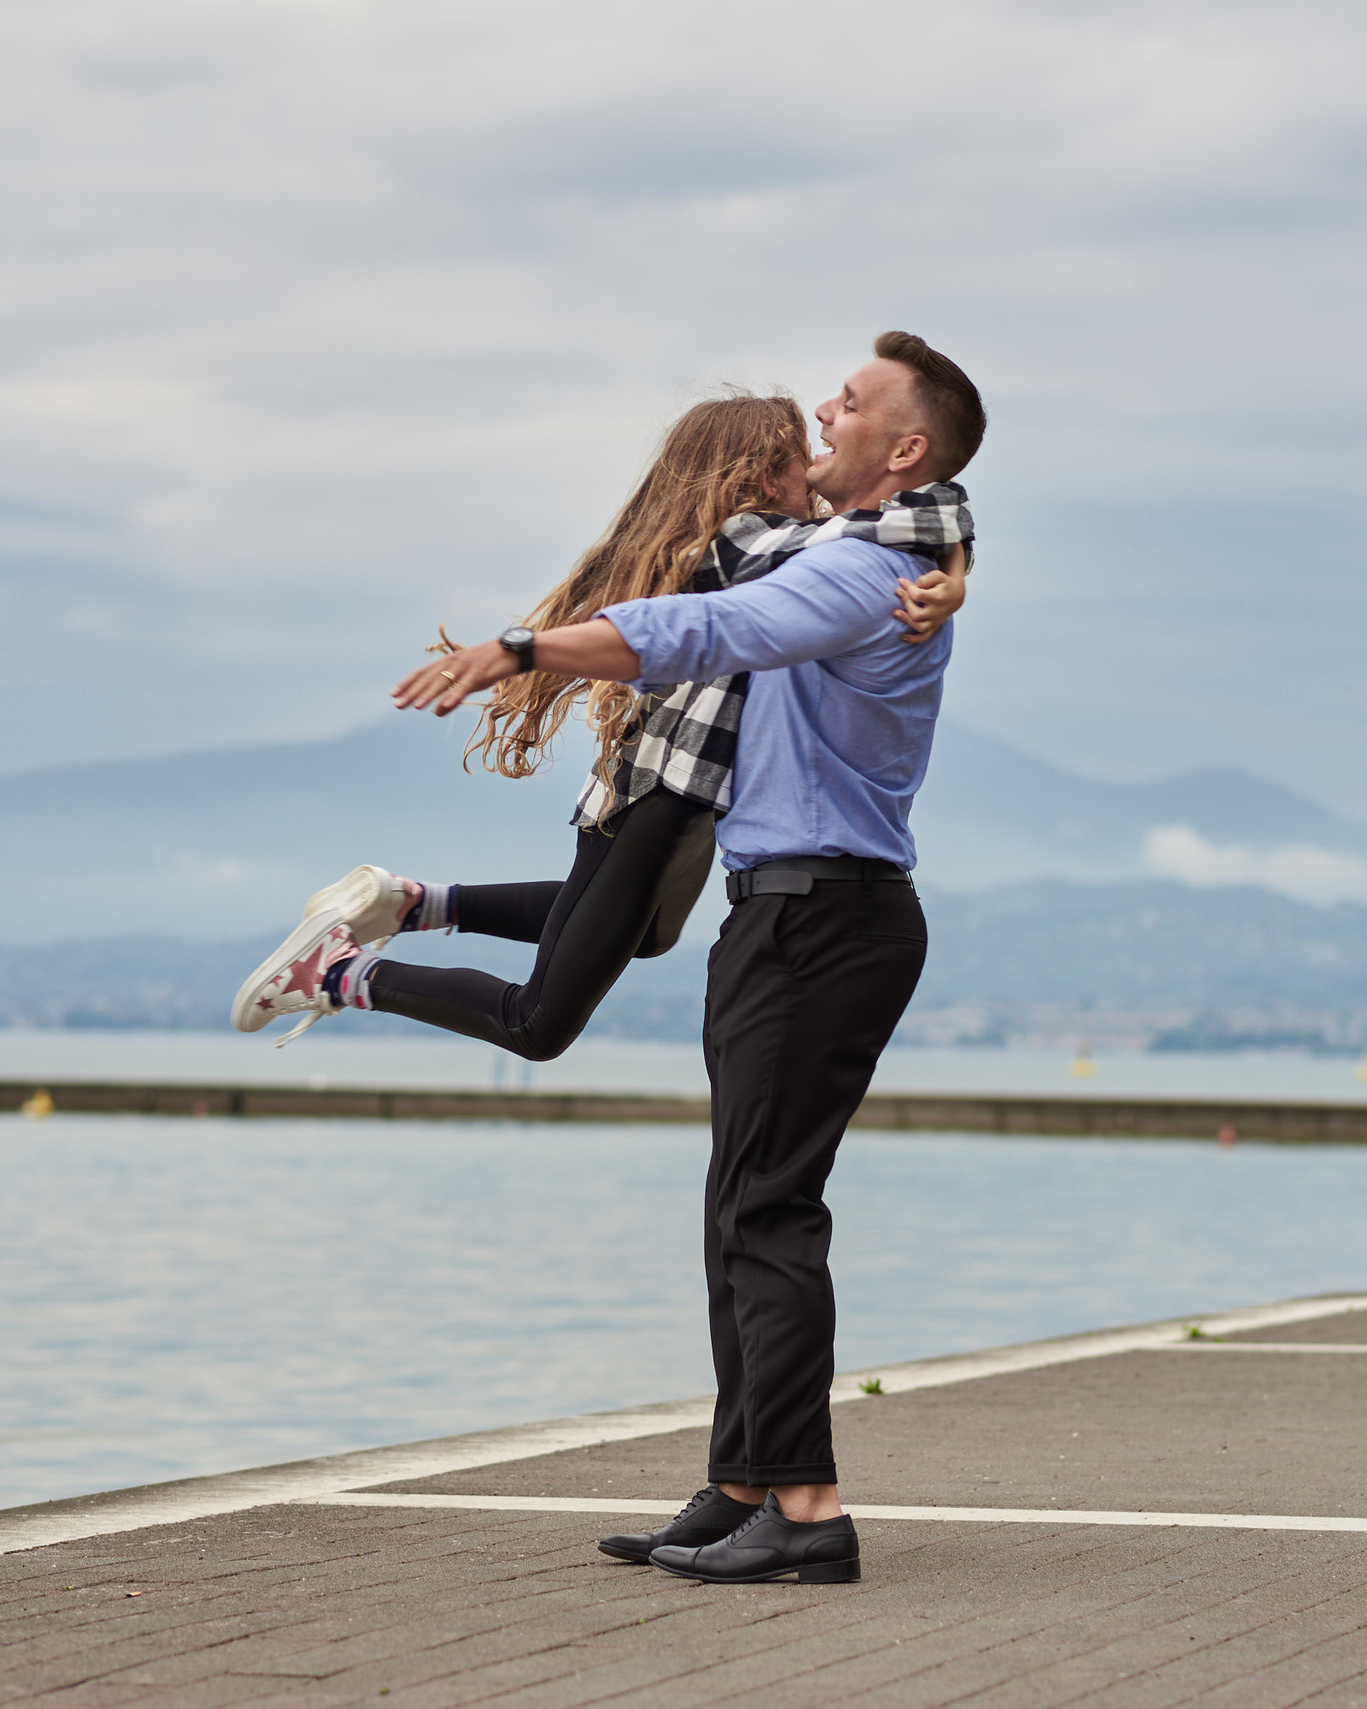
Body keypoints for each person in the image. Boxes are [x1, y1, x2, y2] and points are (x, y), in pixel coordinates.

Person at [389, 331, 987, 1586]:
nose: (829, 407)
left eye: (856, 402)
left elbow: (703, 627)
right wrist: (961, 560)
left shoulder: (863, 575)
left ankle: (808, 1509)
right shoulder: (887, 553)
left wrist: (521, 645)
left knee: (769, 1213)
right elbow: (765, 566)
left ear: (906, 446)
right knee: (738, 1213)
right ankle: (740, 1486)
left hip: (825, 918)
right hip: (785, 913)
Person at [228, 392, 970, 1054]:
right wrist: (954, 564)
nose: (815, 468)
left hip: (682, 799)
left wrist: (951, 562)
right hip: (654, 798)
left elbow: (890, 530)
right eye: (798, 460)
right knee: (538, 1022)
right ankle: (339, 973)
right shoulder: (753, 541)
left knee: (648, 933)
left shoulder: (766, 551)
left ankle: (418, 902)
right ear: (758, 476)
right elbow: (903, 525)